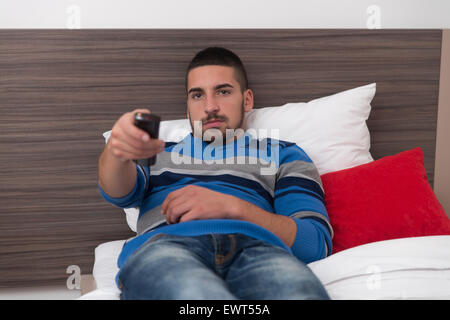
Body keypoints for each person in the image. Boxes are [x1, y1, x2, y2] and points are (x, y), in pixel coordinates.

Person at [97, 47, 333, 300]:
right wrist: (117, 151)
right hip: (166, 248)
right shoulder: (156, 152)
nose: (210, 106)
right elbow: (118, 192)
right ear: (188, 106)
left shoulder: (283, 153)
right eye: (197, 95)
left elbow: (315, 243)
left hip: (259, 250)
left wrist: (233, 208)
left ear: (247, 99)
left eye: (223, 91)